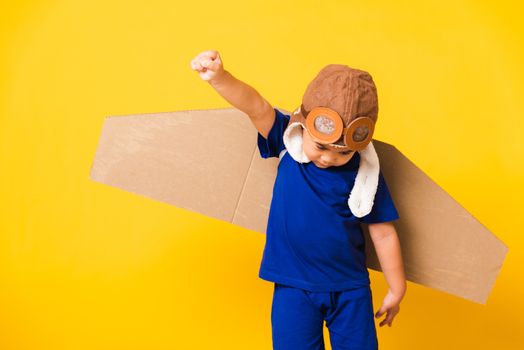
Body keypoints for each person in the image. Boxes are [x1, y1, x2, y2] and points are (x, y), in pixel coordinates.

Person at [190, 50, 406, 350]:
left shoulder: (365, 172)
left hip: (350, 289)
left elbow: (382, 233)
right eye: (321, 146)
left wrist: (397, 288)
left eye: (343, 152)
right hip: (293, 286)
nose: (330, 158)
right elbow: (255, 106)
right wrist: (220, 78)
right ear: (302, 126)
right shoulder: (286, 143)